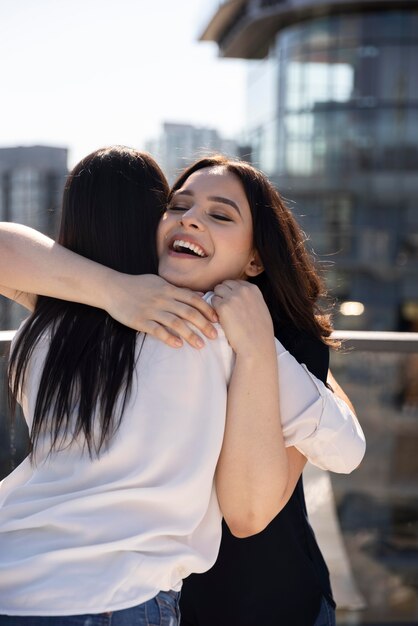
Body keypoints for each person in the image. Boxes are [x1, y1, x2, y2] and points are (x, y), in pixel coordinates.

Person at [0, 149, 365, 625]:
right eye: (177, 206)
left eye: (218, 214)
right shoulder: (103, 309)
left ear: (256, 259)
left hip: (259, 601)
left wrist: (256, 344)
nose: (191, 219)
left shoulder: (269, 337)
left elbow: (254, 509)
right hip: (125, 597)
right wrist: (118, 290)